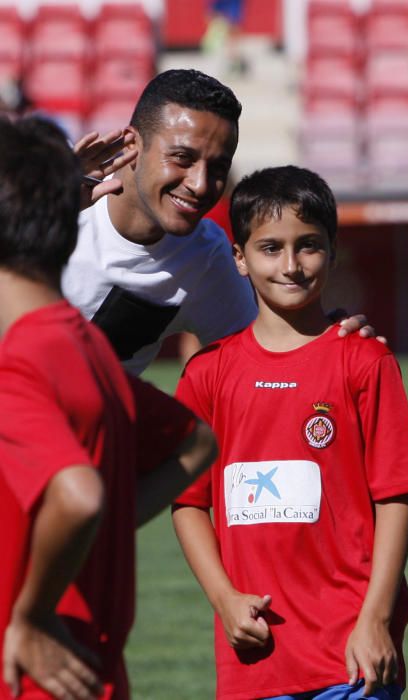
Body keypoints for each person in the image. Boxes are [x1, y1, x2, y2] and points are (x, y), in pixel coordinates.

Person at [171, 165, 408, 700]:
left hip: (351, 651)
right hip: (257, 652)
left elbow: (395, 497)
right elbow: (188, 501)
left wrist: (377, 619)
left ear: (332, 253)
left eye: (308, 246)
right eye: (270, 248)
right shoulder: (207, 374)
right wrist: (223, 598)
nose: (290, 265)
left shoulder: (364, 360)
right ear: (239, 257)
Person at [0, 116, 217, 700]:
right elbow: (196, 443)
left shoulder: (20, 358)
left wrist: (30, 616)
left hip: (35, 676)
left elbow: (77, 494)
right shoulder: (86, 346)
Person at [65, 68, 380, 377]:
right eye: (182, 158)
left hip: (98, 424)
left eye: (218, 168)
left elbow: (264, 368)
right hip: (19, 408)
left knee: (185, 425)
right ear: (132, 146)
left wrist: (334, 344)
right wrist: (45, 216)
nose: (200, 184)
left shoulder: (207, 258)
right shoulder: (48, 193)